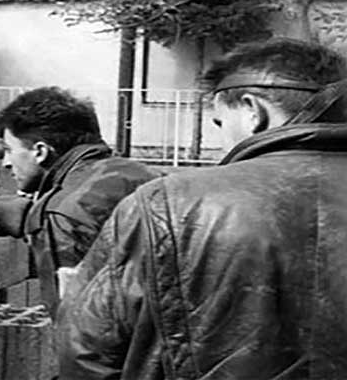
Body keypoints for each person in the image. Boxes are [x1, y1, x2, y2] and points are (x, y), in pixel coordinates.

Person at [58, 38, 347, 379]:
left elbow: (87, 352)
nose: (221, 141)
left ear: (253, 111)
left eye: (220, 124)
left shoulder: (165, 203)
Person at [0, 86, 163, 317]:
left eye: (9, 150)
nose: (6, 163)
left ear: (40, 152)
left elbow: (75, 322)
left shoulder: (61, 212)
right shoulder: (150, 177)